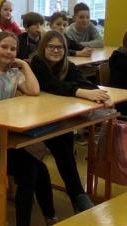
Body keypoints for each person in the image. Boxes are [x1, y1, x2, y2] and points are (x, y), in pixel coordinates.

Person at [0, 32, 59, 226]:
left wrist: (23, 65)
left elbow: (34, 90)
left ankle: (50, 217)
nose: (9, 52)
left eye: (13, 49)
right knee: (30, 169)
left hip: (5, 135)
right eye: (4, 47)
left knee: (40, 168)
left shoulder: (14, 73)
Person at [29, 29, 106, 212]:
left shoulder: (67, 65)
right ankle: (78, 194)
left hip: (57, 116)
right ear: (43, 48)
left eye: (60, 47)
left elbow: (84, 83)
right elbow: (52, 85)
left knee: (65, 149)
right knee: (64, 150)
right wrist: (79, 91)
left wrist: (99, 95)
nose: (56, 51)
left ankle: (77, 194)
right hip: (36, 119)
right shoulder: (37, 62)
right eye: (51, 47)